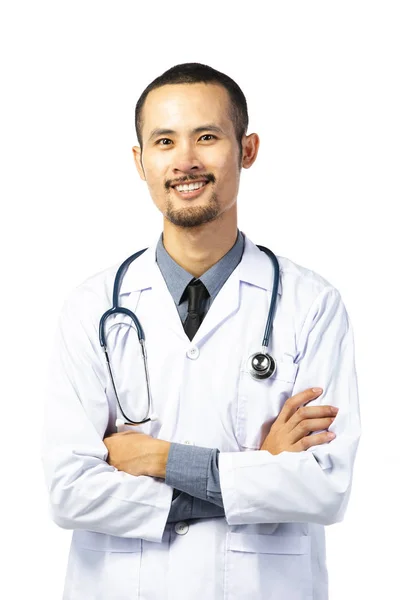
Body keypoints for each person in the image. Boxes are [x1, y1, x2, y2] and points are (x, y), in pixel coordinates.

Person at [41, 62, 361, 600]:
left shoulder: (312, 305)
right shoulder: (90, 309)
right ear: (141, 162)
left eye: (207, 137)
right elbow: (69, 492)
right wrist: (256, 473)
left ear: (248, 149)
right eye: (164, 141)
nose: (185, 160)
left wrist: (156, 459)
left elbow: (324, 487)